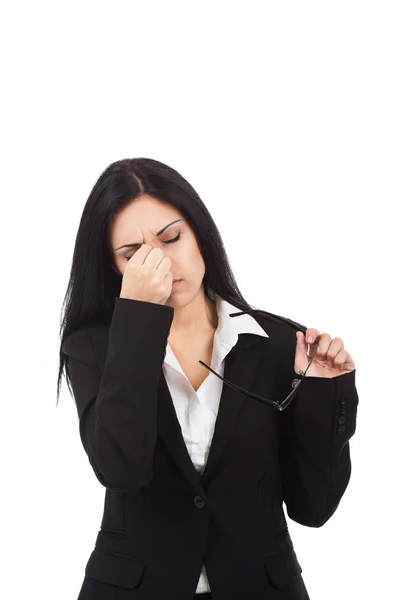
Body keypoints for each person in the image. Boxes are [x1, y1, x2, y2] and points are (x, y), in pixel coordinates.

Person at [57, 157, 359, 600]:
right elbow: (121, 467)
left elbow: (314, 508)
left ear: (199, 232)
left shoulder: (278, 344)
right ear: (115, 269)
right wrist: (139, 319)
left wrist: (321, 390)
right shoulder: (93, 348)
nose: (161, 261)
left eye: (172, 237)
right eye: (134, 254)